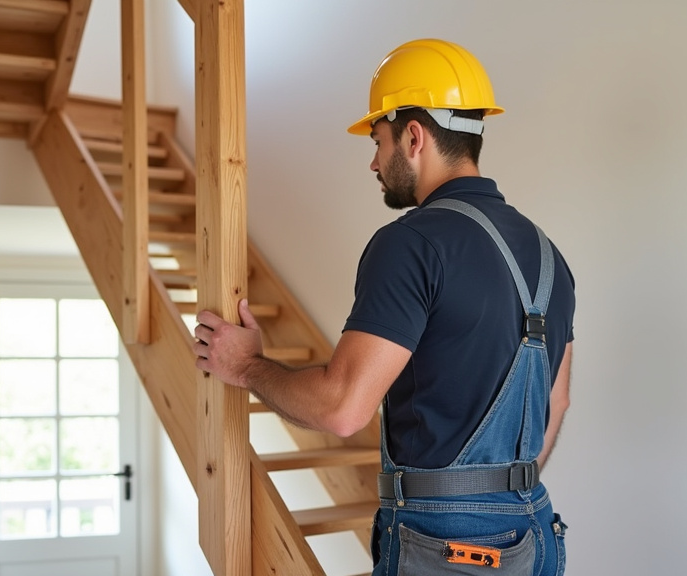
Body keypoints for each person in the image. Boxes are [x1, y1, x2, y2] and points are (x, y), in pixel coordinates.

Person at [194, 38, 575, 576]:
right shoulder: (549, 256)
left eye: (379, 140)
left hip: (447, 549)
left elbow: (343, 407)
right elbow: (554, 404)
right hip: (534, 530)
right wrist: (496, 496)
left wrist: (245, 365)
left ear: (414, 136)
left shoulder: (412, 242)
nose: (374, 162)